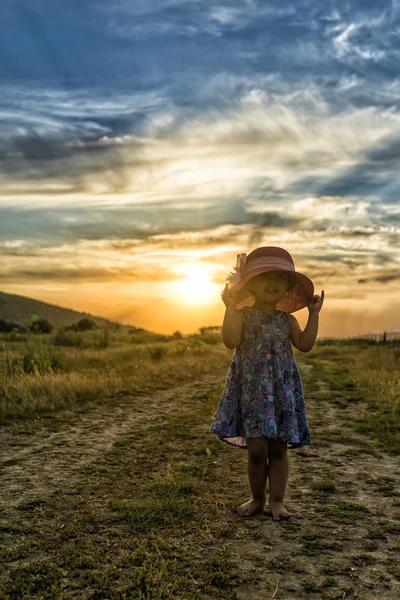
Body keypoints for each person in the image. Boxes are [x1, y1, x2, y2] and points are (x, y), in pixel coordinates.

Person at [209, 246, 324, 521]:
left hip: (281, 391)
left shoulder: (287, 320)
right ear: (250, 283)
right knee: (257, 449)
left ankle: (277, 501)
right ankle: (257, 498)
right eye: (264, 276)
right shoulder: (243, 315)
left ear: (288, 286)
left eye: (279, 277)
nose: (272, 282)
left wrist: (314, 314)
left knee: (278, 448)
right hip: (252, 392)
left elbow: (305, 345)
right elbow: (230, 341)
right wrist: (229, 308)